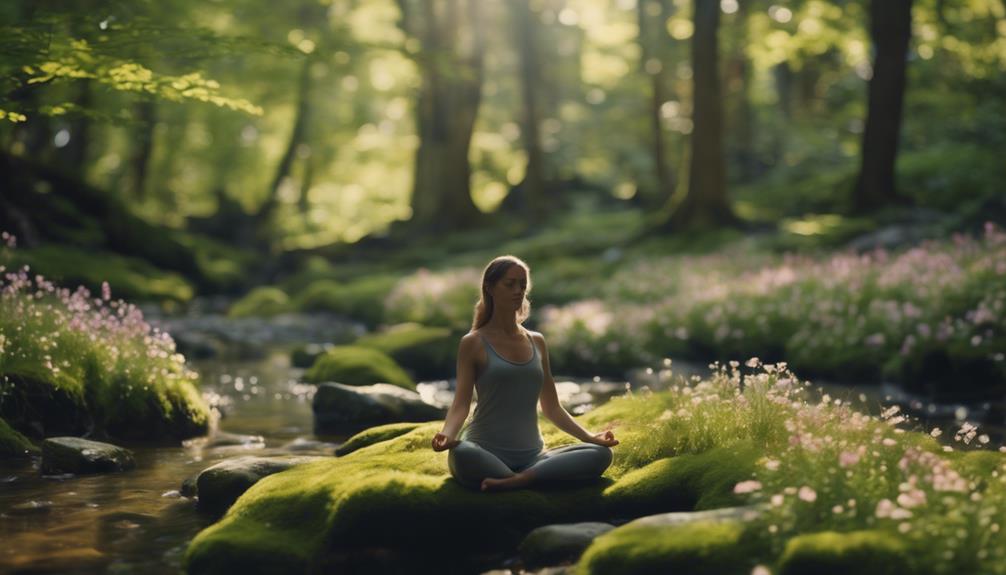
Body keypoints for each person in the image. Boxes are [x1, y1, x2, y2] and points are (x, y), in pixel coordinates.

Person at [431, 255, 618, 492]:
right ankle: (531, 478)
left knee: (600, 454)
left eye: (522, 285)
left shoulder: (537, 341)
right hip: (485, 452)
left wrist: (590, 437)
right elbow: (460, 404)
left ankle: (518, 480)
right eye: (510, 284)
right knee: (462, 452)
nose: (518, 291)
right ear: (489, 288)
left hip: (533, 456)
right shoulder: (473, 342)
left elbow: (552, 408)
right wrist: (447, 435)